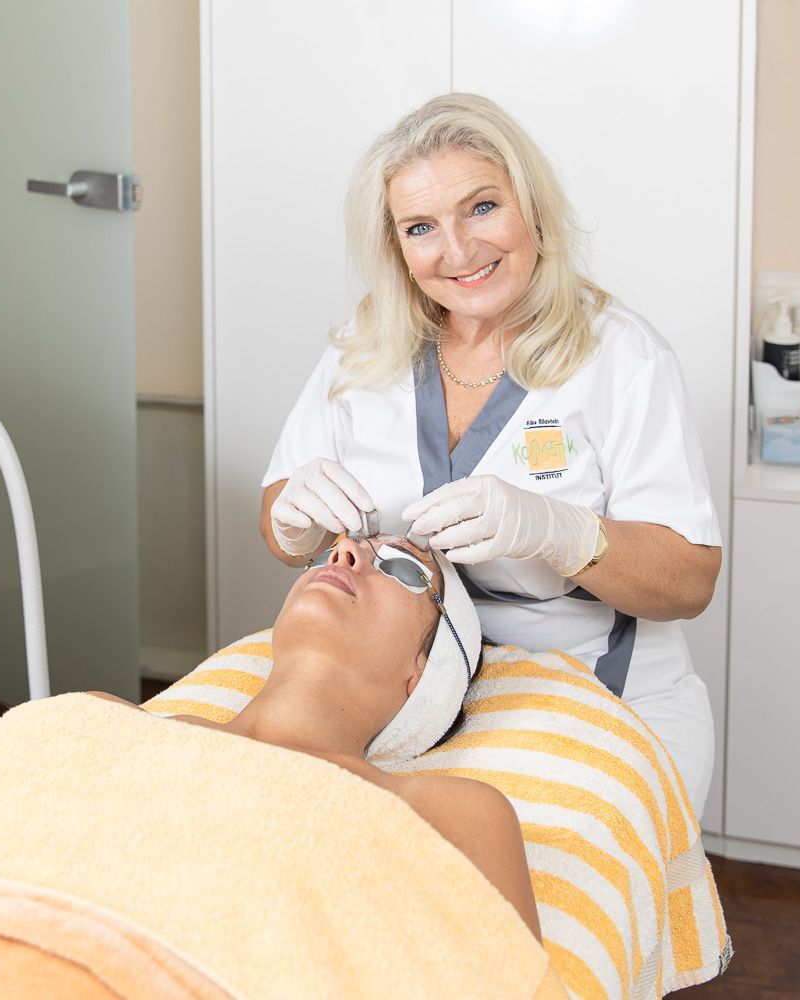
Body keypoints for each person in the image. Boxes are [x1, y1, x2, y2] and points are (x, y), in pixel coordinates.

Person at [259, 93, 722, 816]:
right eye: (421, 228)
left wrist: (563, 532)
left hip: (590, 687)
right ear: (397, 249)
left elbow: (689, 582)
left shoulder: (622, 359)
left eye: (481, 208)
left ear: (531, 208)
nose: (459, 250)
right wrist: (290, 519)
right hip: (396, 691)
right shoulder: (367, 346)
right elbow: (281, 511)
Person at [101, 531, 542, 939]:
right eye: (331, 550)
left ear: (425, 673)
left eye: (404, 569)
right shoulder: (106, 720)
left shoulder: (454, 815)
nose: (343, 551)